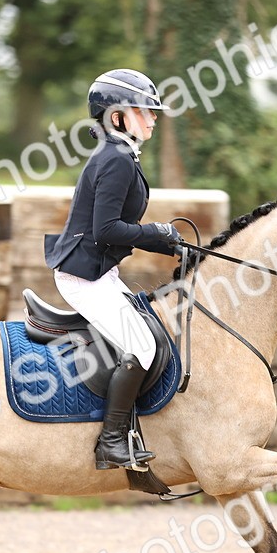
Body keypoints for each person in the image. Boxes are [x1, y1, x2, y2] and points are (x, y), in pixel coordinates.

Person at [44, 68, 183, 471]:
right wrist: (157, 234)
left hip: (100, 273)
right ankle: (110, 441)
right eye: (145, 111)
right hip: (84, 277)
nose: (154, 118)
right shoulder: (117, 159)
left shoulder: (120, 154)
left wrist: (165, 238)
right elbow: (106, 230)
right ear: (117, 117)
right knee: (143, 346)